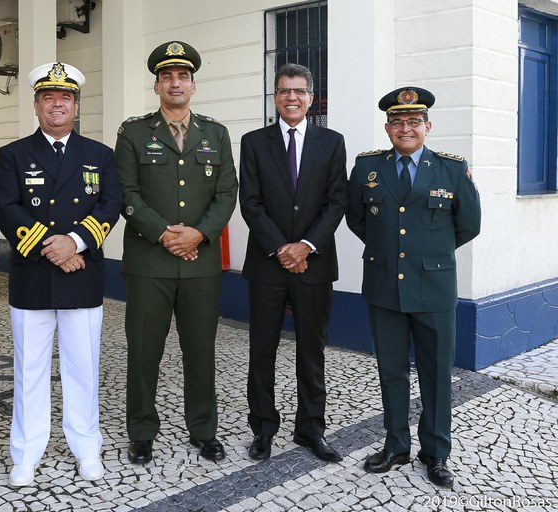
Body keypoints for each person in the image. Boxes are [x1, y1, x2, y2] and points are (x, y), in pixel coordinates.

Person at [0, 62, 121, 487]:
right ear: (36, 105)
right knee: (29, 371)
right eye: (49, 97)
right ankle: (26, 454)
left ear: (77, 106)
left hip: (82, 274)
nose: (57, 104)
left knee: (83, 368)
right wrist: (55, 247)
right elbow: (6, 208)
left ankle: (86, 447)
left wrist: (77, 243)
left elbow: (109, 205)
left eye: (65, 98)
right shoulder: (12, 155)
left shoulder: (100, 155)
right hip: (32, 276)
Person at [346, 87, 481, 487]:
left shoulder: (452, 169)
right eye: (397, 122)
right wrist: (394, 253)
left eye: (413, 122)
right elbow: (358, 219)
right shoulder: (368, 167)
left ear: (428, 126)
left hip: (435, 288)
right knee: (391, 372)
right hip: (385, 286)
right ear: (388, 128)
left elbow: (469, 224)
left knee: (436, 374)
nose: (405, 128)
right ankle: (396, 445)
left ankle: (436, 453)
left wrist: (429, 254)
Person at [114, 40, 238, 464]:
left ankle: (203, 429)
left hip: (200, 262)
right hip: (150, 260)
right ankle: (142, 430)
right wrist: (165, 234)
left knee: (201, 350)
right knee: (144, 350)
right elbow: (126, 193)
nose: (175, 82)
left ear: (193, 85)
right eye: (167, 76)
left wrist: (198, 235)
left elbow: (226, 194)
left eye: (182, 76)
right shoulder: (133, 132)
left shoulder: (215, 134)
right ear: (156, 85)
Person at [238, 64, 347, 463]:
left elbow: (337, 202)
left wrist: (305, 246)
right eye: (284, 90)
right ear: (275, 96)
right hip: (267, 264)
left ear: (312, 97)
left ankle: (311, 430)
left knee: (312, 350)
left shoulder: (332, 142)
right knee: (261, 349)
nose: (291, 98)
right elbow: (250, 202)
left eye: (299, 91)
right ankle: (263, 429)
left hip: (314, 265)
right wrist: (282, 248)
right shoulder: (253, 142)